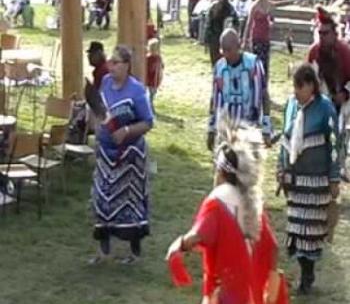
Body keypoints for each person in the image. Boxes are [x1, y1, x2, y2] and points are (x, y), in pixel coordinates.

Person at [166, 115, 289, 304]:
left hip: (226, 295)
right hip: (252, 296)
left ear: (221, 172)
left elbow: (198, 236)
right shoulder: (252, 202)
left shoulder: (217, 202)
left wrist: (179, 245)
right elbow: (272, 248)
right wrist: (271, 290)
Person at [277, 63, 340, 295]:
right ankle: (305, 271)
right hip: (295, 180)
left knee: (310, 233)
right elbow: (285, 141)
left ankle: (307, 276)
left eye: (300, 87)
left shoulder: (325, 109)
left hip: (317, 181)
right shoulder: (291, 105)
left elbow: (335, 143)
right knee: (296, 229)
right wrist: (280, 170)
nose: (296, 92)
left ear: (311, 86)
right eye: (294, 87)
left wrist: (334, 178)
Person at [90, 45, 154, 264]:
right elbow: (99, 109)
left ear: (127, 66)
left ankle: (134, 253)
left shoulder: (136, 91)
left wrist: (126, 130)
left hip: (129, 156)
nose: (111, 66)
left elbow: (148, 122)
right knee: (102, 199)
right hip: (106, 154)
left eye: (116, 62)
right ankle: (103, 251)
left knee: (129, 203)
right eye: (111, 61)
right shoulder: (106, 82)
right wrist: (97, 126)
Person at [207, 28, 272, 151]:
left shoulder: (253, 64)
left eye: (229, 50)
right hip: (226, 131)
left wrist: (266, 128)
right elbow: (214, 98)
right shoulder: (219, 67)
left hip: (250, 129)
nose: (226, 54)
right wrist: (211, 129)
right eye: (223, 50)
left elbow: (264, 95)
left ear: (239, 45)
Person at [308, 7, 350, 108]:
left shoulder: (344, 51)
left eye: (325, 33)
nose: (322, 36)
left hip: (344, 103)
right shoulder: (314, 52)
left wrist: (345, 93)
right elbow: (307, 79)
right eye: (320, 33)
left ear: (335, 34)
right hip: (320, 101)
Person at [205, 0, 239, 66]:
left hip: (225, 39)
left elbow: (236, 22)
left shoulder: (230, 8)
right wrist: (207, 39)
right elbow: (209, 24)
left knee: (224, 62)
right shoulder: (213, 8)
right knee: (215, 62)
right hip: (214, 38)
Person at [146, 38, 164, 114]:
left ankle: (149, 107)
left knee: (153, 93)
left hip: (155, 79)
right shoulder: (148, 58)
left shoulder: (158, 58)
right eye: (152, 49)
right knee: (151, 95)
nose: (154, 51)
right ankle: (150, 108)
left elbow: (161, 67)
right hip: (149, 80)